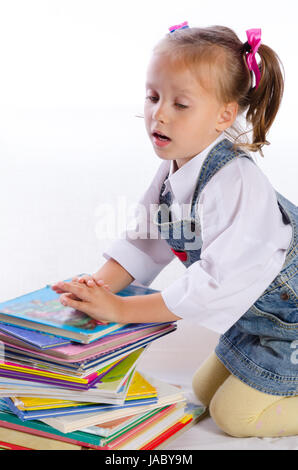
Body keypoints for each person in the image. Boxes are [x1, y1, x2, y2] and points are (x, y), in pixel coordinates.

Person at [52, 24, 298, 438]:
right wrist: (97, 288)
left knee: (234, 418)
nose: (158, 113)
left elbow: (214, 284)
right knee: (202, 390)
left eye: (180, 104)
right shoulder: (175, 170)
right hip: (259, 319)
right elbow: (144, 240)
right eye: (152, 97)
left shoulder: (237, 182)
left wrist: (124, 310)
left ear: (224, 114)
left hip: (292, 322)